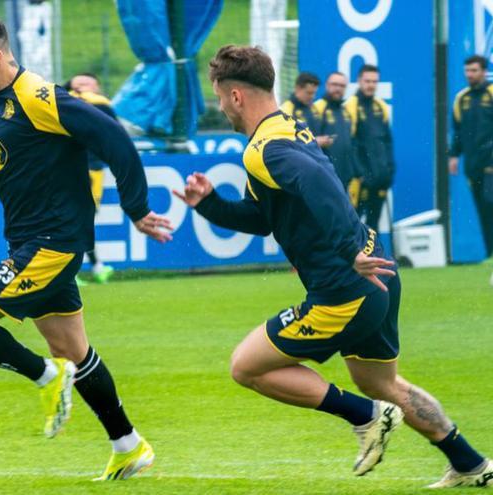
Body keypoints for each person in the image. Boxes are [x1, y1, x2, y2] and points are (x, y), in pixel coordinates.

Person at [173, 45, 492, 488]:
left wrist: (348, 250)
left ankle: (365, 417)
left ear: (236, 96)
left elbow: (318, 182)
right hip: (377, 273)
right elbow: (265, 218)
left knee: (245, 367)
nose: (222, 106)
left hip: (346, 287)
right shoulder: (287, 127)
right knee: (385, 384)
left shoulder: (265, 148)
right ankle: (470, 462)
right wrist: (208, 205)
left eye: (220, 97)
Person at [0, 13, 172, 480]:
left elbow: (114, 139)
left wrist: (136, 208)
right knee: (75, 349)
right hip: (33, 242)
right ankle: (129, 445)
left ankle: (46, 377)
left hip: (51, 245)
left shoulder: (39, 97)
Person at [65, 72, 117, 284]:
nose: (84, 85)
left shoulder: (102, 105)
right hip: (65, 170)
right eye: (79, 82)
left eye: (89, 82)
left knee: (82, 220)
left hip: (93, 170)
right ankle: (77, 270)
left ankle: (89, 267)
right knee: (73, 219)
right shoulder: (62, 101)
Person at [448, 55, 493, 264]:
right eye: (467, 71)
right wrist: (454, 155)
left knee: (490, 202)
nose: (470, 75)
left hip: (491, 162)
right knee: (483, 209)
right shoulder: (461, 98)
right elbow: (457, 131)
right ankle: (490, 253)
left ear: (484, 71)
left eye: (474, 70)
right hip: (473, 165)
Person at [346, 65, 395, 232]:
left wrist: (389, 171)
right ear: (359, 81)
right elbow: (349, 144)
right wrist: (360, 173)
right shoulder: (350, 106)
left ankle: (373, 257)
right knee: (354, 221)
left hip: (380, 178)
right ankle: (352, 257)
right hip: (360, 180)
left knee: (374, 224)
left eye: (375, 81)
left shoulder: (381, 107)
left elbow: (387, 142)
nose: (371, 85)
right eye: (367, 81)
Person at [313, 72, 361, 202]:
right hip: (326, 179)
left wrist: (356, 171)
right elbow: (305, 143)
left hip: (345, 178)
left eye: (342, 85)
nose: (338, 88)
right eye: (335, 84)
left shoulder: (345, 111)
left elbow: (350, 143)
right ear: (327, 85)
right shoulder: (317, 108)